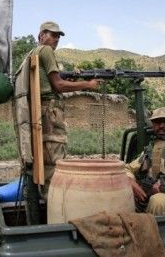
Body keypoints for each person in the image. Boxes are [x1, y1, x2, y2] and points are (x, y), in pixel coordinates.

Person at [31, 21, 101, 198]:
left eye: (58, 36)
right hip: (51, 113)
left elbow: (54, 79)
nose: (56, 39)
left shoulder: (35, 53)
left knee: (48, 161)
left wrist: (72, 74)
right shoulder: (46, 50)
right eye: (52, 35)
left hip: (42, 113)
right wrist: (87, 84)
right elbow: (59, 85)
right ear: (41, 36)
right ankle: (53, 206)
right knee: (55, 162)